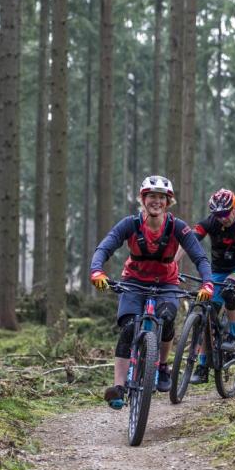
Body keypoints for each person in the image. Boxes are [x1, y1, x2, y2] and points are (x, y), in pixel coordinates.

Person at [90, 175, 214, 409]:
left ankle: (163, 366)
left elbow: (200, 257)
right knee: (128, 328)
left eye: (161, 197)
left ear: (168, 202)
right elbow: (105, 246)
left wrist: (207, 283)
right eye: (151, 196)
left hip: (166, 283)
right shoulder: (130, 224)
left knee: (166, 319)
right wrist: (97, 271)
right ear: (143, 199)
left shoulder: (178, 227)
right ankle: (118, 387)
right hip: (134, 281)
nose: (156, 201)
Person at [177, 188, 235, 385]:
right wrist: (172, 265)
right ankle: (202, 365)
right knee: (207, 312)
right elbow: (188, 241)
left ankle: (232, 335)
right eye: (218, 214)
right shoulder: (211, 222)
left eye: (225, 213)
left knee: (228, 289)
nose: (222, 218)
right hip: (217, 270)